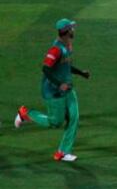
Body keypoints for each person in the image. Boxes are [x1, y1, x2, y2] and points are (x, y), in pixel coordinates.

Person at [14, 18, 90, 162]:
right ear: (66, 31)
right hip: (53, 92)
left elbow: (66, 66)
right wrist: (59, 84)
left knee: (74, 117)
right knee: (56, 123)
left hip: (68, 89)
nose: (74, 30)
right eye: (71, 28)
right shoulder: (55, 49)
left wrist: (81, 73)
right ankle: (26, 114)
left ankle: (63, 152)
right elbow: (46, 68)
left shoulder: (68, 46)